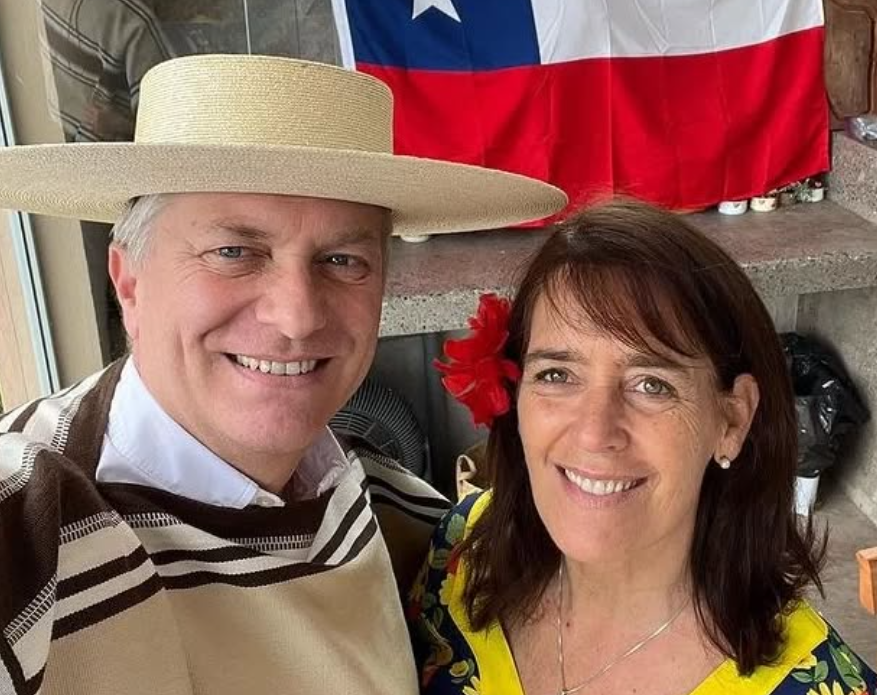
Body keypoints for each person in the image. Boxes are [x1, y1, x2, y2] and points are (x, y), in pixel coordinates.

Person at [0, 54, 566, 695]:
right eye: (234, 251)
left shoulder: (396, 515)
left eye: (342, 259)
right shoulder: (29, 526)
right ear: (129, 282)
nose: (297, 317)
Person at [412, 199, 877, 695]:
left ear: (732, 419)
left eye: (652, 384)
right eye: (557, 374)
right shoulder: (460, 554)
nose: (594, 433)